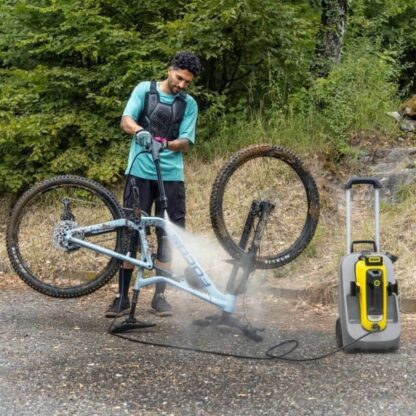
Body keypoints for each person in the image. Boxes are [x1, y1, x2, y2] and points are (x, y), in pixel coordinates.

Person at [105, 51, 201, 318]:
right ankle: (122, 297)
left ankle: (159, 297)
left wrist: (167, 144)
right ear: (170, 69)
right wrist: (141, 132)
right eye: (179, 78)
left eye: (187, 82)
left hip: (171, 175)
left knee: (167, 235)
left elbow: (186, 141)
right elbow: (126, 121)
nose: (182, 85)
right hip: (139, 171)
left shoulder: (188, 104)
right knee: (131, 232)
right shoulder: (144, 90)